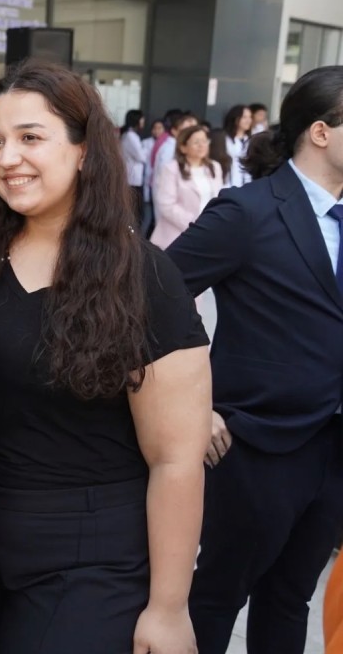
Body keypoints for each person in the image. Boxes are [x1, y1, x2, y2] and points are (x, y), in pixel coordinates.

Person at [0, 60, 211, 654]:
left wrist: (168, 609)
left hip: (91, 560)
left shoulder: (143, 277)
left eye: (30, 137)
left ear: (85, 150)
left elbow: (175, 460)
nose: (7, 157)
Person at [167, 65, 343, 654]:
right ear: (320, 132)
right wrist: (196, 404)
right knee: (217, 597)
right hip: (257, 448)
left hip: (334, 452)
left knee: (292, 598)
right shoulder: (248, 213)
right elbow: (149, 294)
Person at [150, 125, 223, 251]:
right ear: (183, 147)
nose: (202, 145)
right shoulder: (172, 168)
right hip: (177, 235)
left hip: (208, 233)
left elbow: (218, 198)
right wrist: (195, 224)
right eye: (196, 142)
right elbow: (166, 205)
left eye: (205, 141)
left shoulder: (214, 167)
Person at [121, 109, 149, 222]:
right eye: (142, 118)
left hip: (132, 178)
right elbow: (142, 157)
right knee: (135, 212)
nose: (143, 121)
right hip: (132, 180)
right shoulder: (131, 136)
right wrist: (148, 148)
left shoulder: (129, 135)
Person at [221, 104, 253, 187]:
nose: (248, 120)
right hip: (227, 184)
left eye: (250, 117)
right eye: (244, 117)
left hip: (246, 186)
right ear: (235, 119)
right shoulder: (224, 138)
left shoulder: (251, 140)